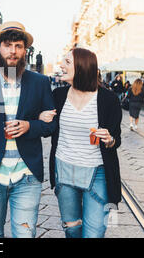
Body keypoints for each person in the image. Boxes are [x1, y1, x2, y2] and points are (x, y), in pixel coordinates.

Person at [0, 21, 56, 238]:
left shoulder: (40, 82)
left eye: (18, 46)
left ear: (25, 51)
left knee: (25, 234)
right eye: (7, 45)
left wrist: (30, 126)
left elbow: (51, 125)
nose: (12, 51)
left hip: (27, 176)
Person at [39, 48, 122, 238]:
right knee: (72, 228)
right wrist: (40, 117)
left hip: (97, 173)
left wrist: (109, 140)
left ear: (82, 67)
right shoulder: (58, 96)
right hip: (64, 169)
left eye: (67, 62)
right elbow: (47, 130)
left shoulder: (108, 99)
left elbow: (115, 140)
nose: (61, 65)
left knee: (94, 233)